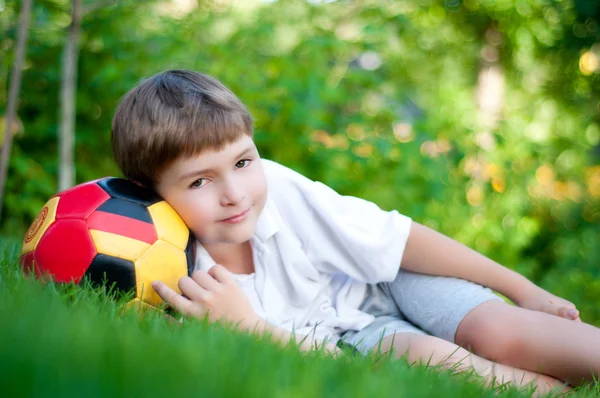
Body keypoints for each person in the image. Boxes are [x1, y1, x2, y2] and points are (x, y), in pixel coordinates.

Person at [111, 69, 599, 394]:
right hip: (350, 335)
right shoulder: (162, 270)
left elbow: (403, 240)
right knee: (427, 356)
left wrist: (522, 288)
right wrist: (252, 329)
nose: (235, 193)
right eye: (199, 180)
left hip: (385, 280)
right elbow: (327, 367)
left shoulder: (277, 187)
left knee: (500, 329)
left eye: (243, 161)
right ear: (148, 191)